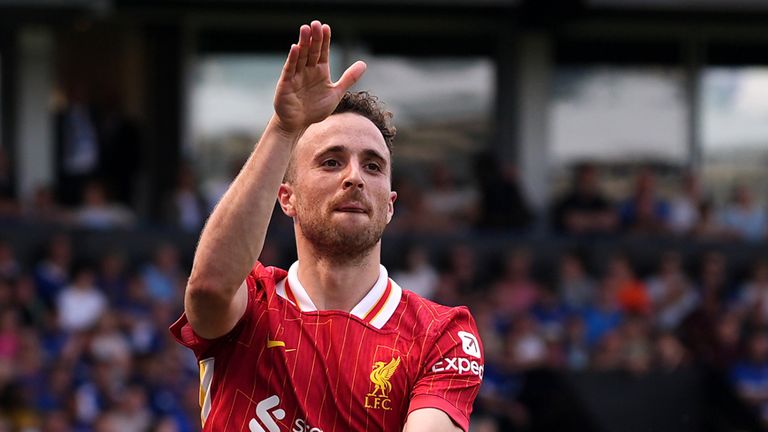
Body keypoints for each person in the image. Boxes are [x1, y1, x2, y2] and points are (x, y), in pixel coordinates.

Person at [170, 20, 483, 432]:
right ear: (287, 198)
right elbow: (208, 287)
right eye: (331, 161)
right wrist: (284, 128)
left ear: (390, 206)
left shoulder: (440, 334)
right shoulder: (251, 305)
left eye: (373, 166)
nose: (354, 177)